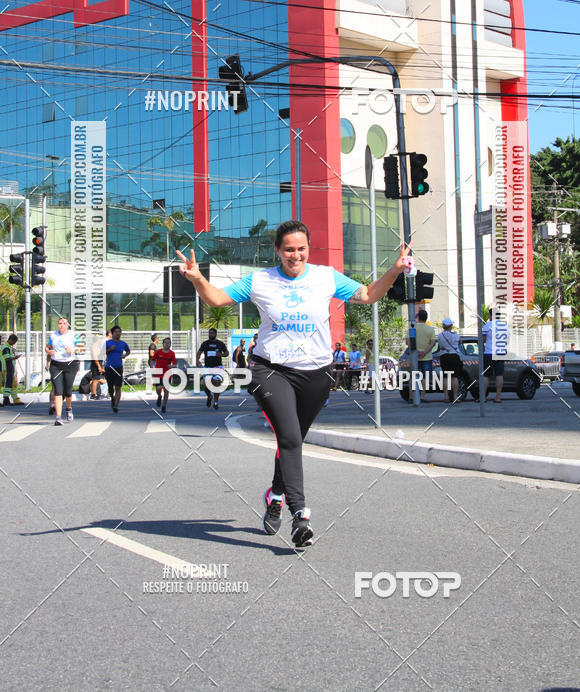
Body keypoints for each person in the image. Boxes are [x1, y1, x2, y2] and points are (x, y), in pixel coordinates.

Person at [176, 220, 413, 547]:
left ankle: (274, 495)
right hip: (270, 370)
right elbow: (217, 299)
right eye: (289, 249)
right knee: (288, 437)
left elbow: (369, 294)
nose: (295, 255)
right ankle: (300, 516)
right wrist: (198, 278)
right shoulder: (261, 281)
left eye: (301, 248)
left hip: (316, 373)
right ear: (278, 250)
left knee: (293, 440)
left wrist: (396, 270)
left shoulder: (325, 277)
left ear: (308, 249)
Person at [46, 318, 84, 425]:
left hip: (70, 364)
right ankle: (58, 417)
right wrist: (49, 351)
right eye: (60, 323)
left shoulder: (73, 335)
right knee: (58, 391)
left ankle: (68, 408)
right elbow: (47, 347)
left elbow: (82, 348)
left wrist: (72, 350)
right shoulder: (53, 335)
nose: (62, 325)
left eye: (64, 323)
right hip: (56, 365)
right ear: (58, 325)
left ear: (67, 325)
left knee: (68, 391)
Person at [482, 308, 510, 403]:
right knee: (499, 374)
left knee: (486, 375)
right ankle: (498, 397)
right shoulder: (505, 326)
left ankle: (483, 397)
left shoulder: (488, 325)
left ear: (490, 315)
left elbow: (483, 340)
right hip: (501, 352)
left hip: (489, 353)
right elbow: (506, 341)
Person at [197, 328, 229, 409]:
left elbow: (227, 353)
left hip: (217, 366)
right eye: (209, 333)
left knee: (216, 383)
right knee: (205, 384)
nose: (210, 334)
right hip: (207, 367)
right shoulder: (205, 343)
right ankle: (209, 396)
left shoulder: (220, 344)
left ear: (215, 334)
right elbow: (199, 352)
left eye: (212, 333)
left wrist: (221, 355)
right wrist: (197, 361)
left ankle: (215, 403)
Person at [409, 309, 437, 399]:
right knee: (425, 378)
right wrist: (424, 352)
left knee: (413, 376)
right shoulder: (430, 329)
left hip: (414, 357)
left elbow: (408, 342)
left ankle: (411, 396)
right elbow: (433, 343)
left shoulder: (412, 327)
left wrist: (416, 351)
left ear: (418, 317)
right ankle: (422, 396)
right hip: (427, 357)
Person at [104, 325, 130, 413]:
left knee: (118, 387)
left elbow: (128, 351)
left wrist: (125, 355)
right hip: (109, 367)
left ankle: (116, 405)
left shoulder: (123, 343)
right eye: (116, 332)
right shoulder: (108, 343)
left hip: (118, 367)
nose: (118, 333)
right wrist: (109, 350)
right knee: (110, 388)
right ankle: (112, 397)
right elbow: (101, 353)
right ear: (112, 333)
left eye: (119, 332)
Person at [437, 318, 462, 404]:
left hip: (444, 356)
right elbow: (460, 342)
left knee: (445, 377)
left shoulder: (440, 335)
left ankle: (446, 396)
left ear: (443, 326)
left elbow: (440, 346)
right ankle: (455, 396)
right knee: (454, 377)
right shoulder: (456, 335)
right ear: (451, 326)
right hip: (454, 356)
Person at [153, 337, 177, 413]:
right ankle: (159, 396)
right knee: (158, 388)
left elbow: (175, 364)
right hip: (158, 373)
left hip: (167, 374)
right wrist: (152, 367)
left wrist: (171, 366)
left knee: (166, 390)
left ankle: (164, 406)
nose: (167, 344)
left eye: (168, 343)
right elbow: (152, 360)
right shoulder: (158, 352)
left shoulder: (172, 353)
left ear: (170, 344)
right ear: (163, 344)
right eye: (165, 342)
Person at [1, 334, 23, 406]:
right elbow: (7, 359)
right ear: (10, 340)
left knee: (13, 384)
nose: (14, 343)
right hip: (7, 369)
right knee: (8, 384)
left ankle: (15, 399)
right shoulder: (6, 348)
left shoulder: (8, 347)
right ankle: (6, 399)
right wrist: (15, 357)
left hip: (10, 368)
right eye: (14, 342)